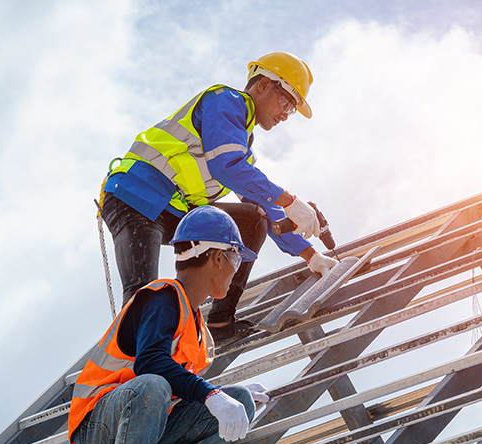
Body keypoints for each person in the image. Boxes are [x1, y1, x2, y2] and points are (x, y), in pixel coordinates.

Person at [98, 51, 338, 343]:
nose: (286, 114)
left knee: (253, 220)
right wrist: (290, 200)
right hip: (135, 197)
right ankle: (137, 369)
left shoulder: (240, 142)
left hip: (175, 211)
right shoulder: (226, 102)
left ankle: (220, 324)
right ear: (263, 85)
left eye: (291, 110)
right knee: (142, 295)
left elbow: (263, 206)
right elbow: (226, 167)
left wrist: (311, 256)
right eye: (286, 102)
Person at [68, 206, 271, 444]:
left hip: (144, 422)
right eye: (236, 261)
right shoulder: (163, 298)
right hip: (97, 424)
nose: (237, 272)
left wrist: (224, 395)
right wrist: (211, 395)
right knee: (152, 384)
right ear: (218, 259)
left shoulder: (194, 322)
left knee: (242, 402)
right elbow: (151, 363)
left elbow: (178, 384)